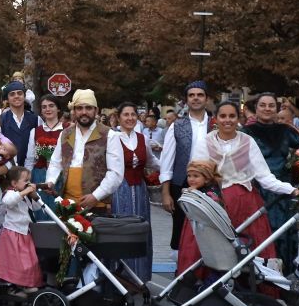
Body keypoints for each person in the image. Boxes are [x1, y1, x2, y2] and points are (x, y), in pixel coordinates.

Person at [205, 100, 295, 261]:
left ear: (238, 118)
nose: (227, 120)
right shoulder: (206, 142)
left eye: (232, 116)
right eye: (223, 116)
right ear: (216, 119)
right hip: (215, 204)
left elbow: (264, 176)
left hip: (245, 206)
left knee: (250, 250)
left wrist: (290, 189)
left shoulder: (247, 141)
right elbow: (197, 172)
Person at [45, 90, 124, 215]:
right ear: (74, 111)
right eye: (79, 108)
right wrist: (51, 181)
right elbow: (55, 163)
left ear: (96, 111)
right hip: (67, 204)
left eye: (88, 108)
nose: (84, 112)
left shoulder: (110, 135)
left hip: (97, 204)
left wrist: (95, 196)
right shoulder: (65, 134)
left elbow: (115, 173)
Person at [159, 81, 212, 252]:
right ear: (186, 100)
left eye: (200, 95)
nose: (196, 98)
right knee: (181, 230)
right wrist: (166, 193)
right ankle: (181, 271)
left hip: (211, 185)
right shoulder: (177, 125)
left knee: (210, 231)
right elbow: (166, 162)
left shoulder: (216, 125)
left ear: (206, 99)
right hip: (182, 184)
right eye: (192, 95)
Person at [107, 102, 154, 281]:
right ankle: (120, 277)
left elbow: (151, 161)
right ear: (118, 117)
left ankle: (140, 276)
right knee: (122, 230)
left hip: (140, 190)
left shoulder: (142, 138)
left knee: (141, 230)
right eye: (126, 115)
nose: (130, 118)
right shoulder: (113, 137)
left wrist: (166, 172)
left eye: (133, 114)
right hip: (119, 188)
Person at [0, 166, 45, 290]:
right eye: (25, 181)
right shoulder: (11, 193)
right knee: (17, 261)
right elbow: (8, 201)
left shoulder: (25, 195)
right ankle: (14, 285)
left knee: (29, 261)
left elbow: (35, 207)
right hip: (12, 233)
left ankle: (26, 284)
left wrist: (33, 194)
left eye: (29, 180)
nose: (28, 183)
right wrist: (24, 192)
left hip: (24, 233)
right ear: (14, 183)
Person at [23, 97, 65, 190]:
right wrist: (27, 178)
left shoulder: (67, 130)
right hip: (39, 175)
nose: (48, 109)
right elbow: (30, 158)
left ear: (58, 109)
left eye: (51, 106)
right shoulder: (35, 131)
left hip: (60, 175)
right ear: (41, 111)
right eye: (44, 107)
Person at [0, 79, 37, 158]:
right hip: (8, 165)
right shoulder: (1, 120)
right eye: (12, 94)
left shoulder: (35, 119)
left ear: (24, 96)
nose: (16, 96)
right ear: (7, 99)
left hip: (30, 166)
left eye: (19, 93)